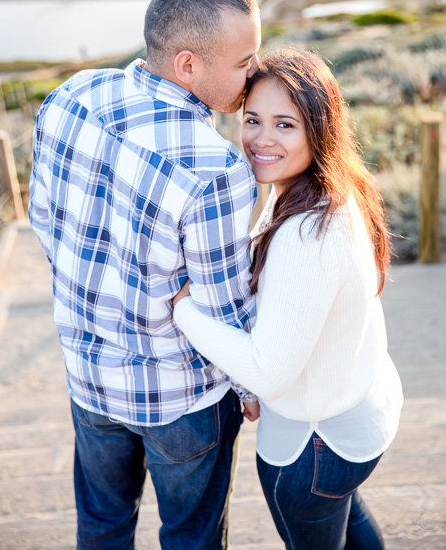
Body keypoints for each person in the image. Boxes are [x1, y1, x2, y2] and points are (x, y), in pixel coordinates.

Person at [28, 0, 261, 550]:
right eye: (244, 60)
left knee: (103, 528)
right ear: (187, 65)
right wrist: (252, 386)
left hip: (88, 376)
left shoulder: (70, 95)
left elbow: (42, 218)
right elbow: (223, 306)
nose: (255, 73)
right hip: (181, 399)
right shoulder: (217, 168)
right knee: (191, 538)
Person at [173, 48, 404, 550]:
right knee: (349, 520)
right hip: (358, 410)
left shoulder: (308, 234)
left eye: (285, 124)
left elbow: (268, 372)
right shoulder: (334, 189)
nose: (261, 138)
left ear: (319, 130)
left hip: (318, 444)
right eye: (252, 119)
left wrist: (183, 310)